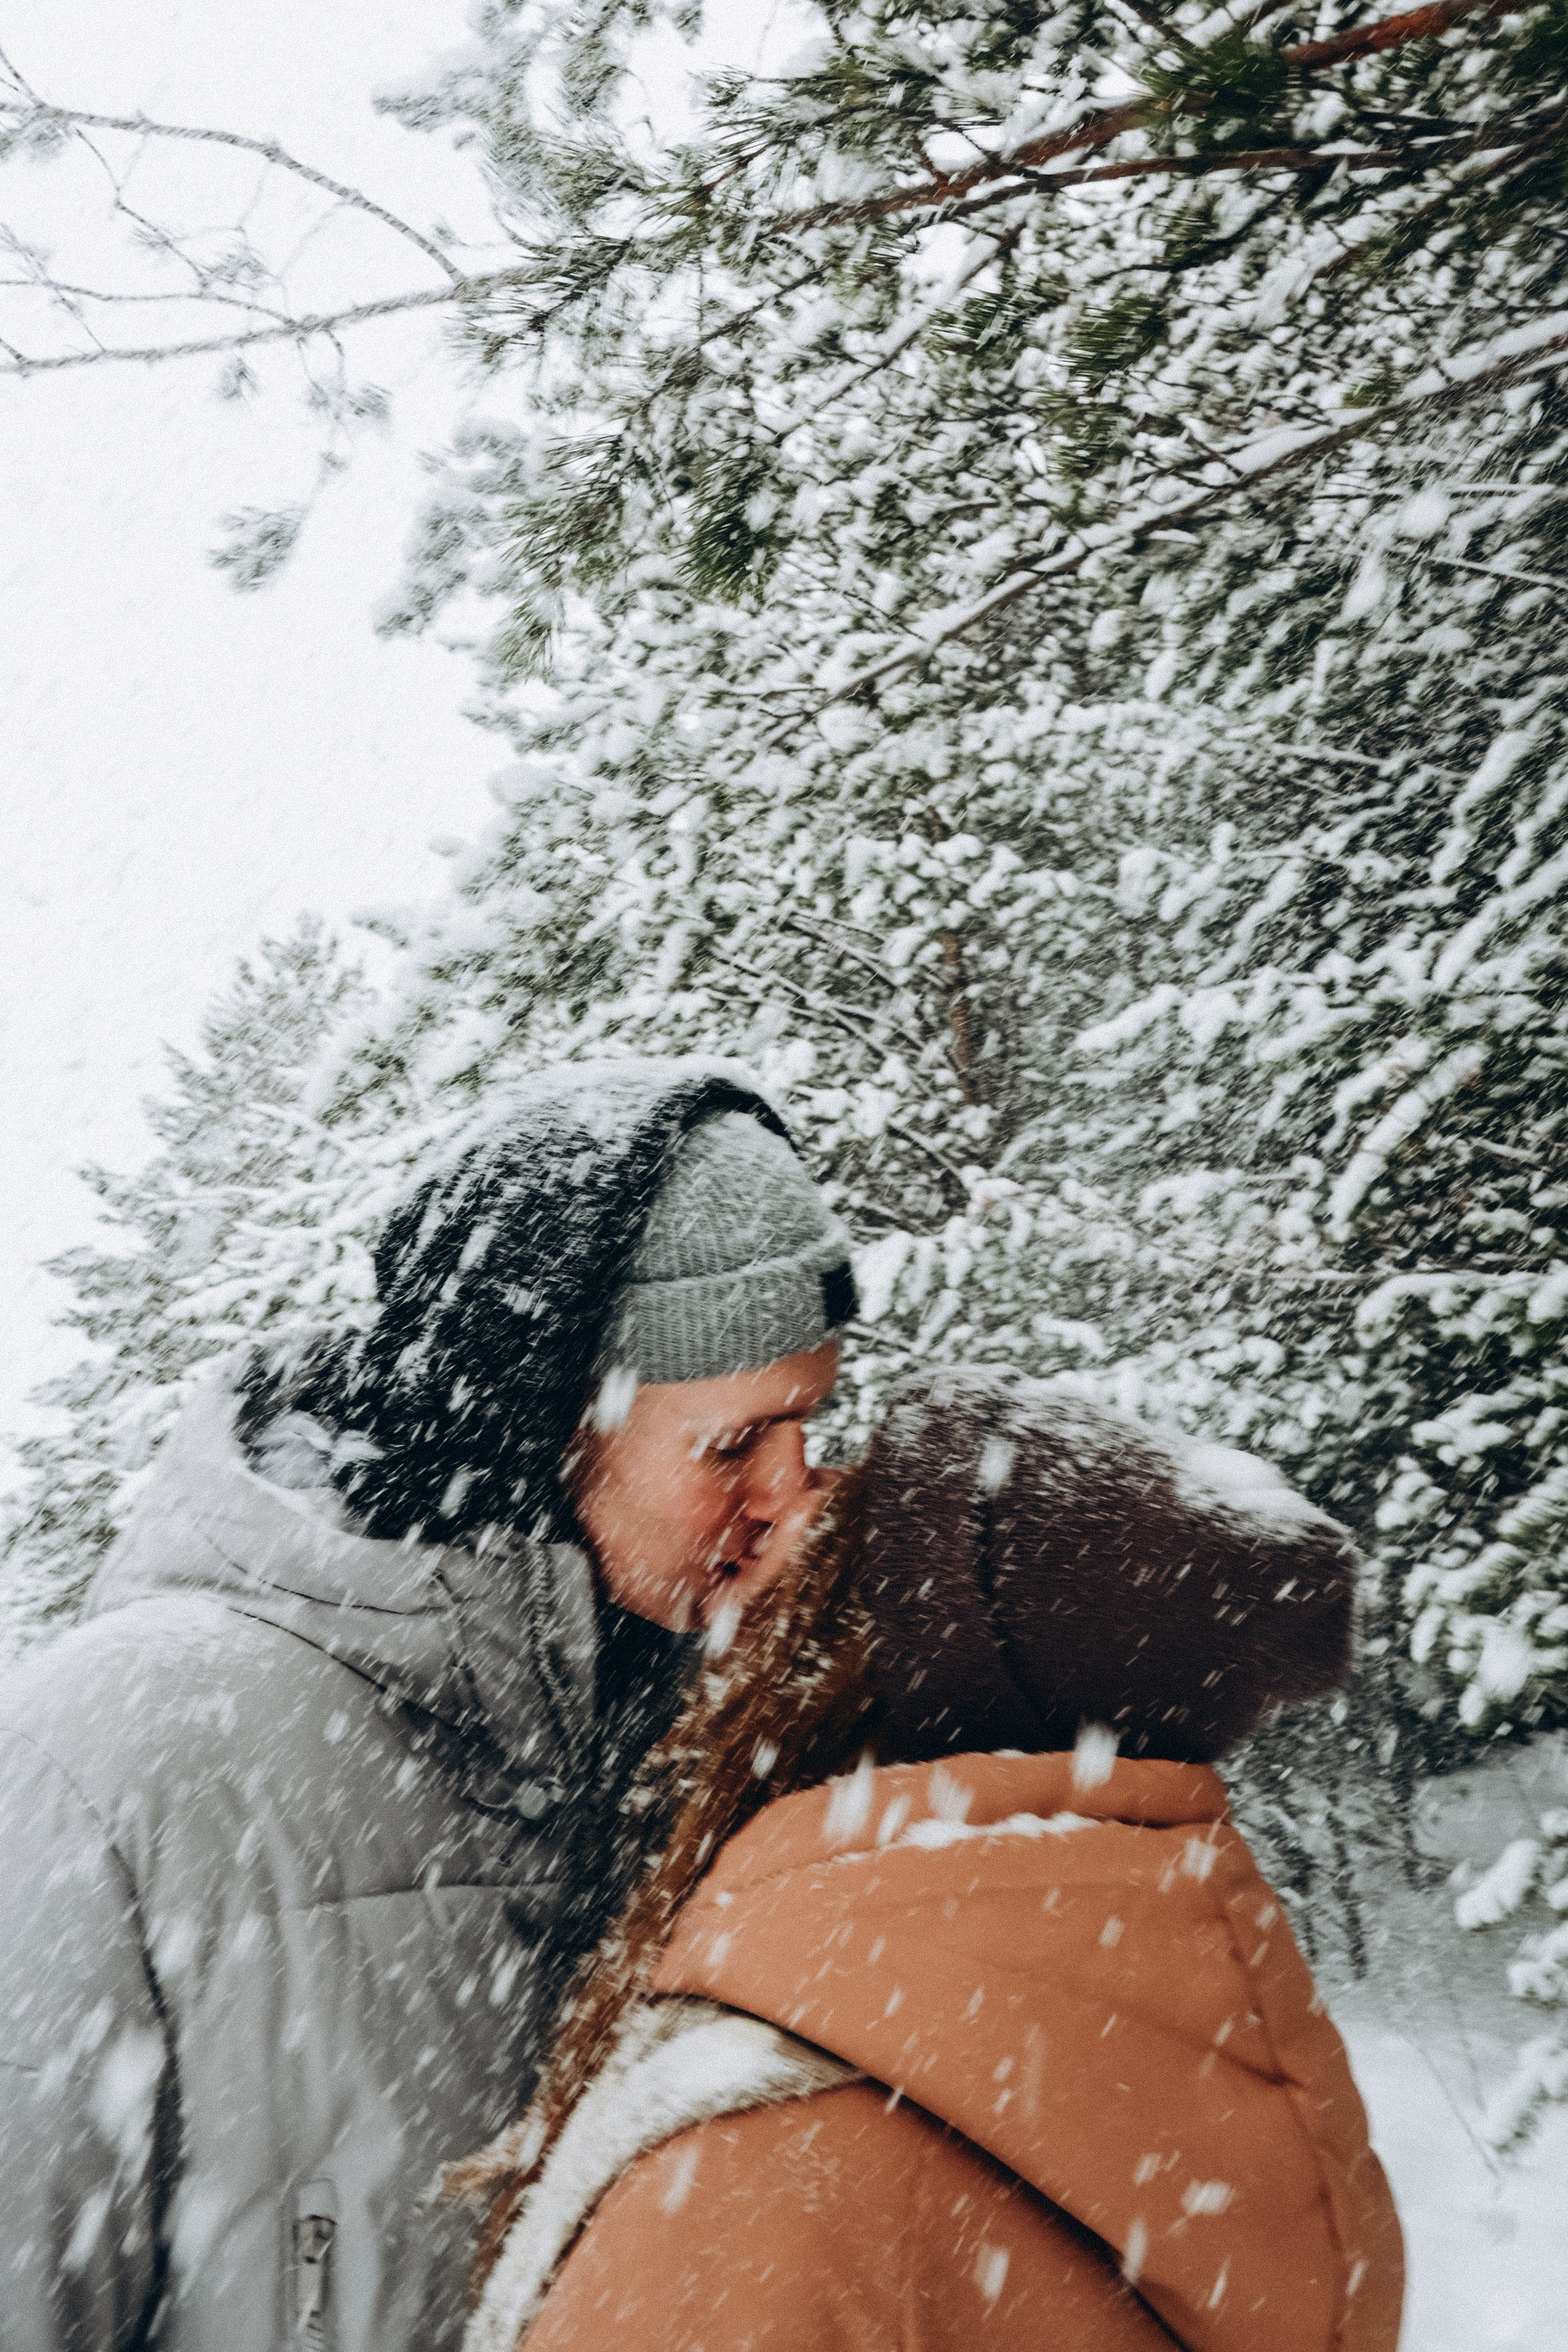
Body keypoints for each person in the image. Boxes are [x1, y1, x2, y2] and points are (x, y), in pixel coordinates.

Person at [0, 1057, 855, 2352]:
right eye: (733, 1443)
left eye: (811, 1429)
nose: (795, 1499)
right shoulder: (120, 1754)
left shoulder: (722, 1746)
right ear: (541, 1420)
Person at [461, 1366, 1404, 2352]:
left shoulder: (768, 2175)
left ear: (857, 1673)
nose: (785, 1500)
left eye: (842, 1517)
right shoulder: (1167, 2032)